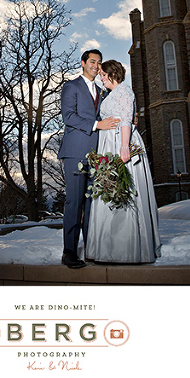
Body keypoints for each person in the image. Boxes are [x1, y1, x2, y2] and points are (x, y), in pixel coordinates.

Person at [86, 59, 162, 264]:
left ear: (112, 74)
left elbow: (127, 120)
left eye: (103, 75)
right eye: (100, 75)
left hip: (120, 142)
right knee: (109, 192)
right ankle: (107, 247)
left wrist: (124, 146)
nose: (101, 78)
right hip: (107, 145)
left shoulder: (125, 92)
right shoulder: (110, 95)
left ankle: (127, 248)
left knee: (125, 190)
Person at [57, 49, 120, 268]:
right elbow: (68, 116)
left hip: (98, 155)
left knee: (92, 204)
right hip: (75, 151)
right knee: (74, 202)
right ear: (83, 63)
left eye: (99, 62)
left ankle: (92, 248)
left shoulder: (103, 92)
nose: (96, 65)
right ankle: (69, 252)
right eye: (92, 61)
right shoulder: (71, 86)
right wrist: (96, 125)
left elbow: (110, 116)